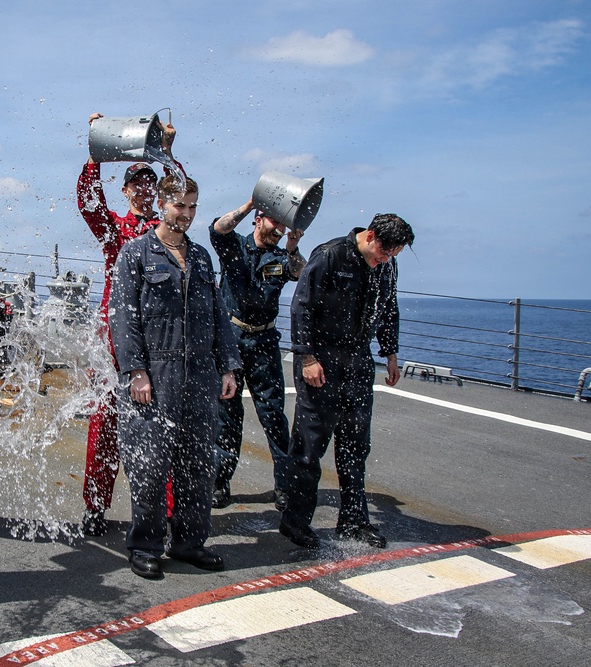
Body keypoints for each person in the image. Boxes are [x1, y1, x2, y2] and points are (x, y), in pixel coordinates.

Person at [109, 174, 240, 579]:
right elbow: (122, 316)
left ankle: (189, 542)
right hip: (156, 372)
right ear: (162, 204)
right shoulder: (135, 254)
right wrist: (136, 371)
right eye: (179, 205)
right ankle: (145, 544)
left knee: (198, 462)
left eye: (192, 206)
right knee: (149, 461)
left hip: (200, 371)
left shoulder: (201, 257)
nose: (186, 213)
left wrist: (229, 365)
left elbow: (218, 313)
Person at [279, 214, 414, 550]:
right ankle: (295, 522)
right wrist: (307, 358)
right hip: (321, 362)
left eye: (393, 255)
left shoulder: (385, 266)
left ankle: (353, 521)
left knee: (356, 447)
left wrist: (391, 353)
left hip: (358, 363)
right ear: (370, 236)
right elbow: (302, 307)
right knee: (310, 448)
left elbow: (388, 308)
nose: (386, 259)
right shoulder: (330, 255)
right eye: (384, 251)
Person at [76, 111, 181, 537]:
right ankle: (95, 507)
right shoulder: (114, 230)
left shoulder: (169, 229)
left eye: (149, 181)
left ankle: (169, 513)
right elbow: (88, 200)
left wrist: (168, 155)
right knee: (105, 423)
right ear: (125, 189)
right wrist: (96, 152)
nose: (143, 187)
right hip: (114, 340)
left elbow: (184, 196)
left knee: (163, 424)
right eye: (136, 181)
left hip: (159, 339)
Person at [209, 200, 306, 509]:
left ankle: (285, 486)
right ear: (259, 219)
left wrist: (292, 248)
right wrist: (251, 203)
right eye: (275, 222)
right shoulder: (234, 245)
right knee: (227, 416)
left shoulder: (282, 255)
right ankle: (220, 482)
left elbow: (300, 273)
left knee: (274, 416)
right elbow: (217, 229)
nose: (280, 229)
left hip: (264, 342)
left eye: (283, 225)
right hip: (232, 343)